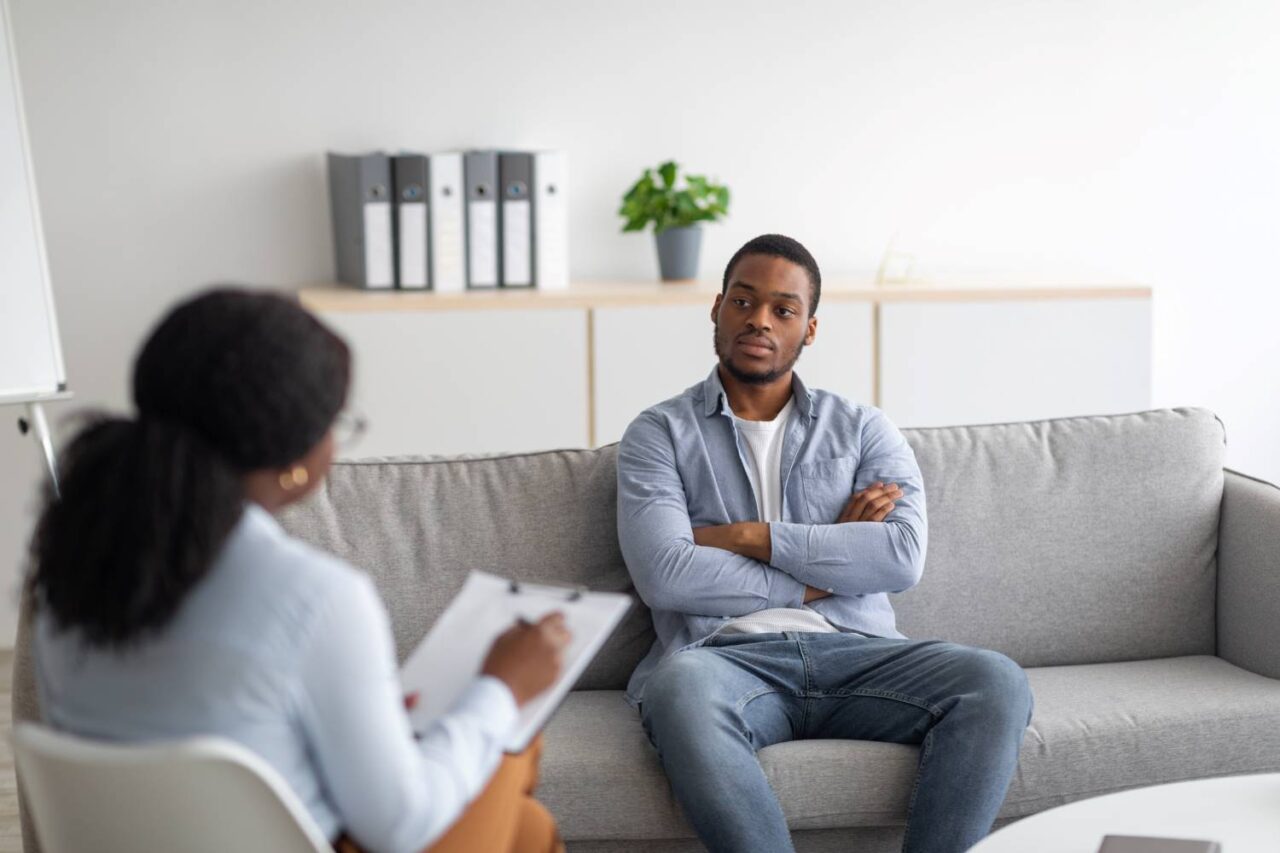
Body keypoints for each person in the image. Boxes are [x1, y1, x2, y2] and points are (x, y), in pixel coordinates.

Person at [28, 288, 568, 853]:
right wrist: (501, 689)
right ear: (292, 462)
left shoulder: (68, 573)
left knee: (525, 829)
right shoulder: (317, 598)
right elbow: (401, 827)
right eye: (336, 423)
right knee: (510, 749)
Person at [616, 234, 1034, 853]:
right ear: (716, 309)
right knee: (677, 690)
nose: (759, 319)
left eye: (783, 310)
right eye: (743, 301)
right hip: (723, 659)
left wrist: (747, 537)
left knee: (995, 680)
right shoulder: (659, 433)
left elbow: (898, 557)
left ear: (809, 330)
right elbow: (667, 574)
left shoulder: (864, 429)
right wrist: (829, 556)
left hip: (858, 652)